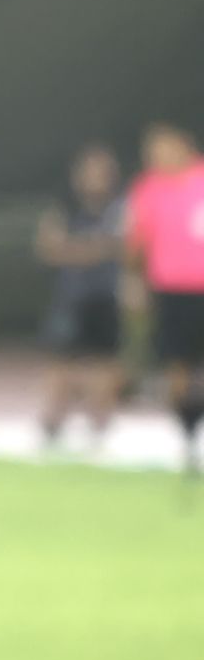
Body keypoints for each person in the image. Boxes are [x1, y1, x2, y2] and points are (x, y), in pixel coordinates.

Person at [35, 143, 130, 452]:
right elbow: (49, 248)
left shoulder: (120, 208)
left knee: (104, 365)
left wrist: (78, 249)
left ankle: (98, 430)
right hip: (72, 299)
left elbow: (126, 245)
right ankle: (52, 428)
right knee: (60, 364)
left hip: (107, 297)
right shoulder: (64, 209)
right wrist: (96, 248)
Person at [125, 122, 204, 479]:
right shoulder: (148, 188)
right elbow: (136, 243)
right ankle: (187, 438)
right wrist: (134, 282)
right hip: (171, 291)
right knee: (177, 367)